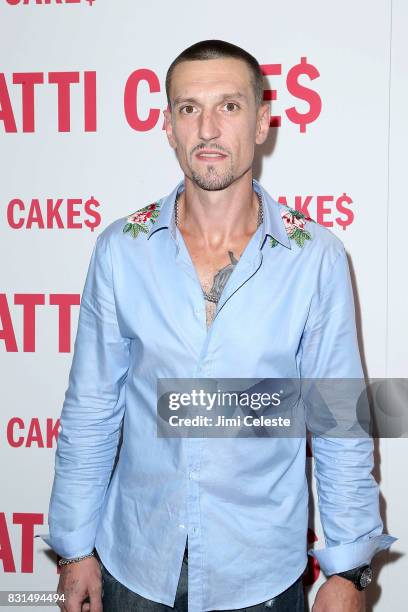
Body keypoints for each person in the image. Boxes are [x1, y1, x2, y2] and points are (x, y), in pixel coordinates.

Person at [36, 40, 396, 612]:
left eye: (228, 106)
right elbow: (91, 408)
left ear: (262, 122)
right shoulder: (120, 251)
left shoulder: (316, 258)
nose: (207, 128)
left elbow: (339, 422)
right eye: (188, 108)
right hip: (136, 565)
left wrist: (349, 571)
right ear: (168, 126)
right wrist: (75, 549)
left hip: (260, 574)